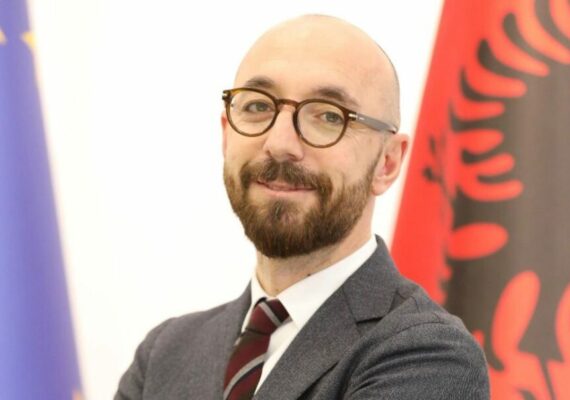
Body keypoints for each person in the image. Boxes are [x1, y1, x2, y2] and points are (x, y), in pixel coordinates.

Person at [115, 15, 489, 400]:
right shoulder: (164, 354)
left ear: (387, 163)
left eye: (329, 116)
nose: (280, 144)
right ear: (226, 135)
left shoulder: (428, 355)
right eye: (258, 106)